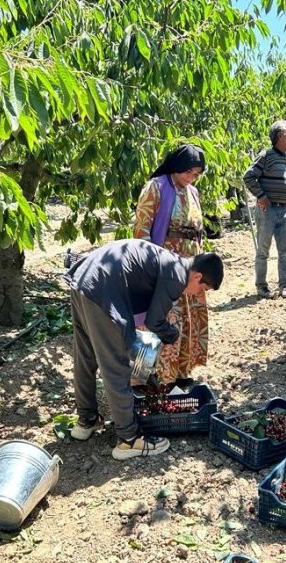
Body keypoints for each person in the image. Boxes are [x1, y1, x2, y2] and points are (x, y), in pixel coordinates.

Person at [66, 239, 224, 460]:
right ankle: (129, 440)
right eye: (203, 288)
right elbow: (155, 321)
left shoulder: (168, 262)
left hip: (83, 280)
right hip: (101, 290)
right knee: (116, 367)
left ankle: (86, 421)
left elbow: (142, 312)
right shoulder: (177, 275)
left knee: (85, 358)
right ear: (197, 276)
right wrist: (172, 335)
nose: (197, 293)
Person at [134, 144, 208, 388]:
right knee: (166, 320)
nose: (191, 178)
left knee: (187, 321)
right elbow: (142, 230)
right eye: (188, 172)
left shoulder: (193, 192)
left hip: (189, 271)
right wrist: (148, 268)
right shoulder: (156, 187)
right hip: (164, 271)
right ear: (176, 166)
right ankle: (158, 376)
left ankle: (180, 371)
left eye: (196, 175)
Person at [243, 120, 286, 300]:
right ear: (281, 135)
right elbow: (249, 177)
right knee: (263, 251)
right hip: (268, 211)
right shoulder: (266, 155)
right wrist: (261, 196)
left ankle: (284, 286)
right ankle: (262, 286)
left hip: (283, 212)